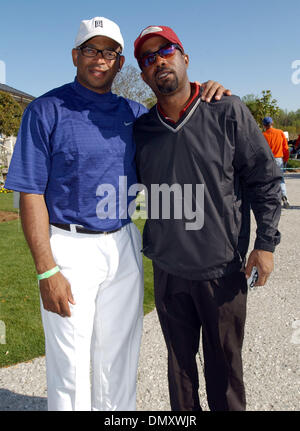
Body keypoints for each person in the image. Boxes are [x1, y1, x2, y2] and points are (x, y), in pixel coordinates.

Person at [5, 17, 229, 411]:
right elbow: (30, 194)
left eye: (109, 52)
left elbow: (179, 126)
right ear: (76, 55)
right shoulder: (45, 110)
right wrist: (46, 269)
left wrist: (206, 90)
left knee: (119, 360)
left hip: (124, 243)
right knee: (71, 364)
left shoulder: (134, 113)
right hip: (69, 249)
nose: (100, 59)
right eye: (91, 49)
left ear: (121, 62)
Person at [133, 25, 282, 411]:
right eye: (148, 59)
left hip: (220, 271)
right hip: (168, 271)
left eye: (165, 51)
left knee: (225, 376)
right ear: (144, 73)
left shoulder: (226, 110)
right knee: (179, 374)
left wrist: (265, 244)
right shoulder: (142, 130)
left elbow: (264, 180)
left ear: (185, 58)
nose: (158, 61)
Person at [262, 116, 290, 209]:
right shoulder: (280, 132)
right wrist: (286, 158)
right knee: (280, 179)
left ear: (264, 125)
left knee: (267, 180)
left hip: (267, 160)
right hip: (278, 159)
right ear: (272, 123)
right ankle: (284, 198)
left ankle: (270, 200)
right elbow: (285, 148)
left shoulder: (263, 135)